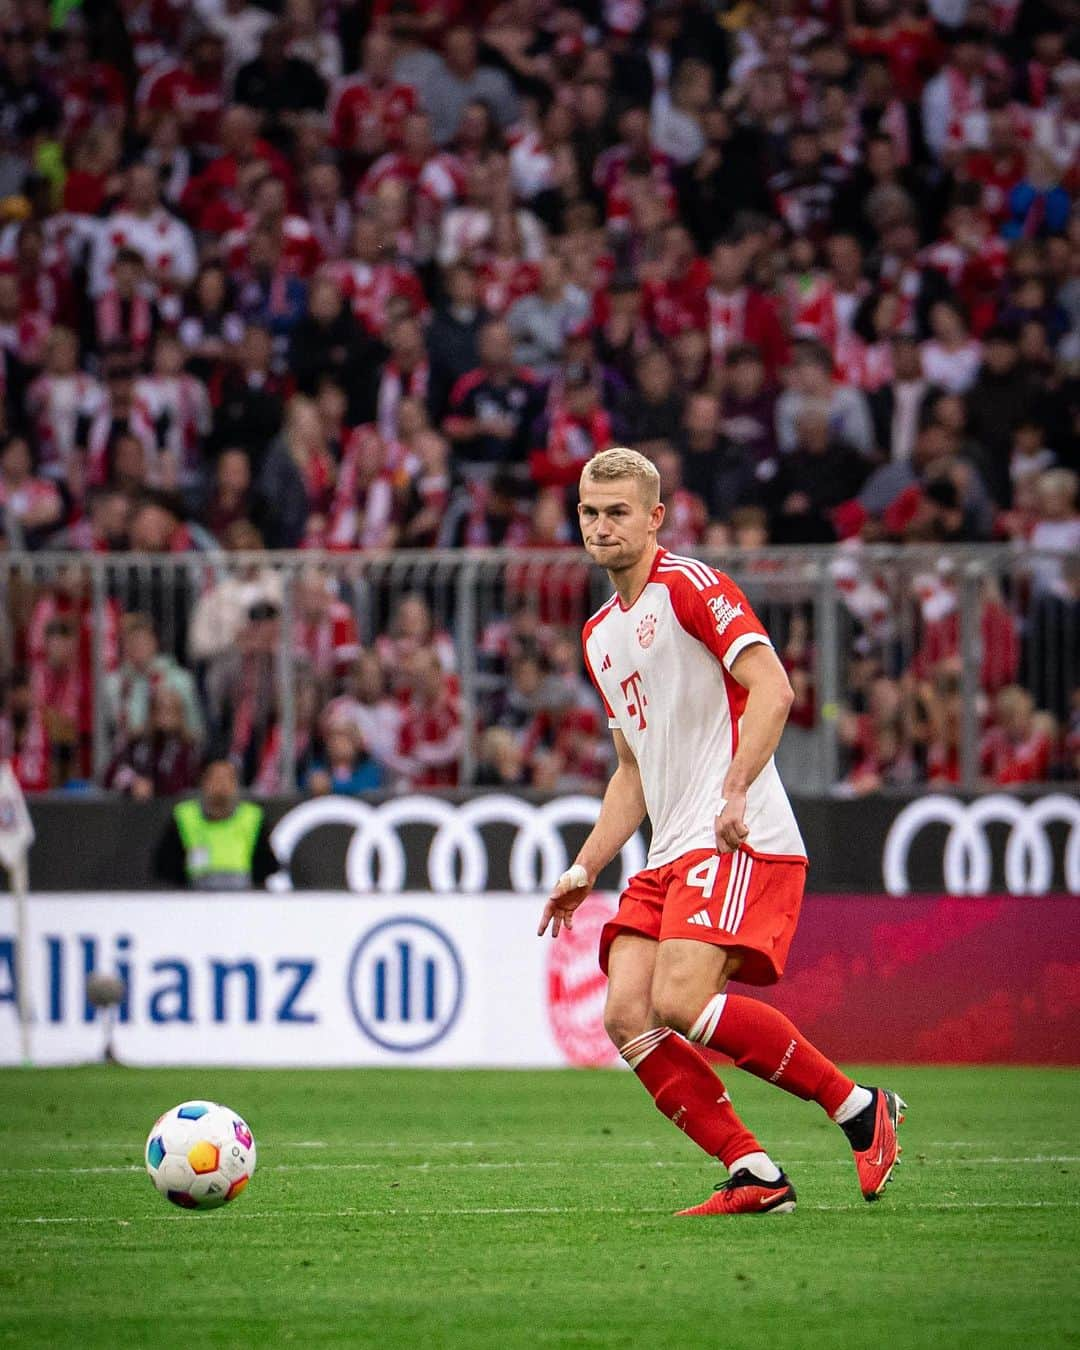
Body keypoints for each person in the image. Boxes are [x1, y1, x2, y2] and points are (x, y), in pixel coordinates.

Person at [538, 447, 905, 1216]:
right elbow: (631, 771)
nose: (600, 527)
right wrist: (584, 865)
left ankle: (860, 1109)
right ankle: (754, 1172)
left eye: (616, 513)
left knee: (678, 999)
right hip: (669, 844)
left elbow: (774, 688)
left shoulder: (692, 586)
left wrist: (734, 790)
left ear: (654, 518)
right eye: (588, 512)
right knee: (625, 1014)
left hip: (735, 831)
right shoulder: (600, 633)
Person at [153, 759, 277, 890]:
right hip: (194, 899)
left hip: (240, 898)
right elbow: (165, 865)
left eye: (227, 779)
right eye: (216, 778)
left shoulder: (252, 817)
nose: (221, 785)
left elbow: (267, 866)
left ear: (235, 785)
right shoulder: (184, 816)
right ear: (204, 783)